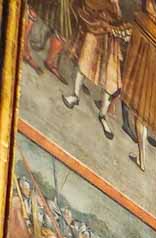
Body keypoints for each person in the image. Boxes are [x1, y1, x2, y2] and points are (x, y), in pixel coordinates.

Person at [120, 0, 156, 191]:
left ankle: (142, 160)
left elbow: (135, 46)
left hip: (148, 84)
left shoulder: (142, 22)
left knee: (141, 119)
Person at [62, 0, 124, 141]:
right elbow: (90, 5)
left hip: (110, 36)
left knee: (112, 79)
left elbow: (118, 17)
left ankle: (102, 115)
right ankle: (75, 96)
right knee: (84, 61)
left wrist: (115, 7)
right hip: (95, 27)